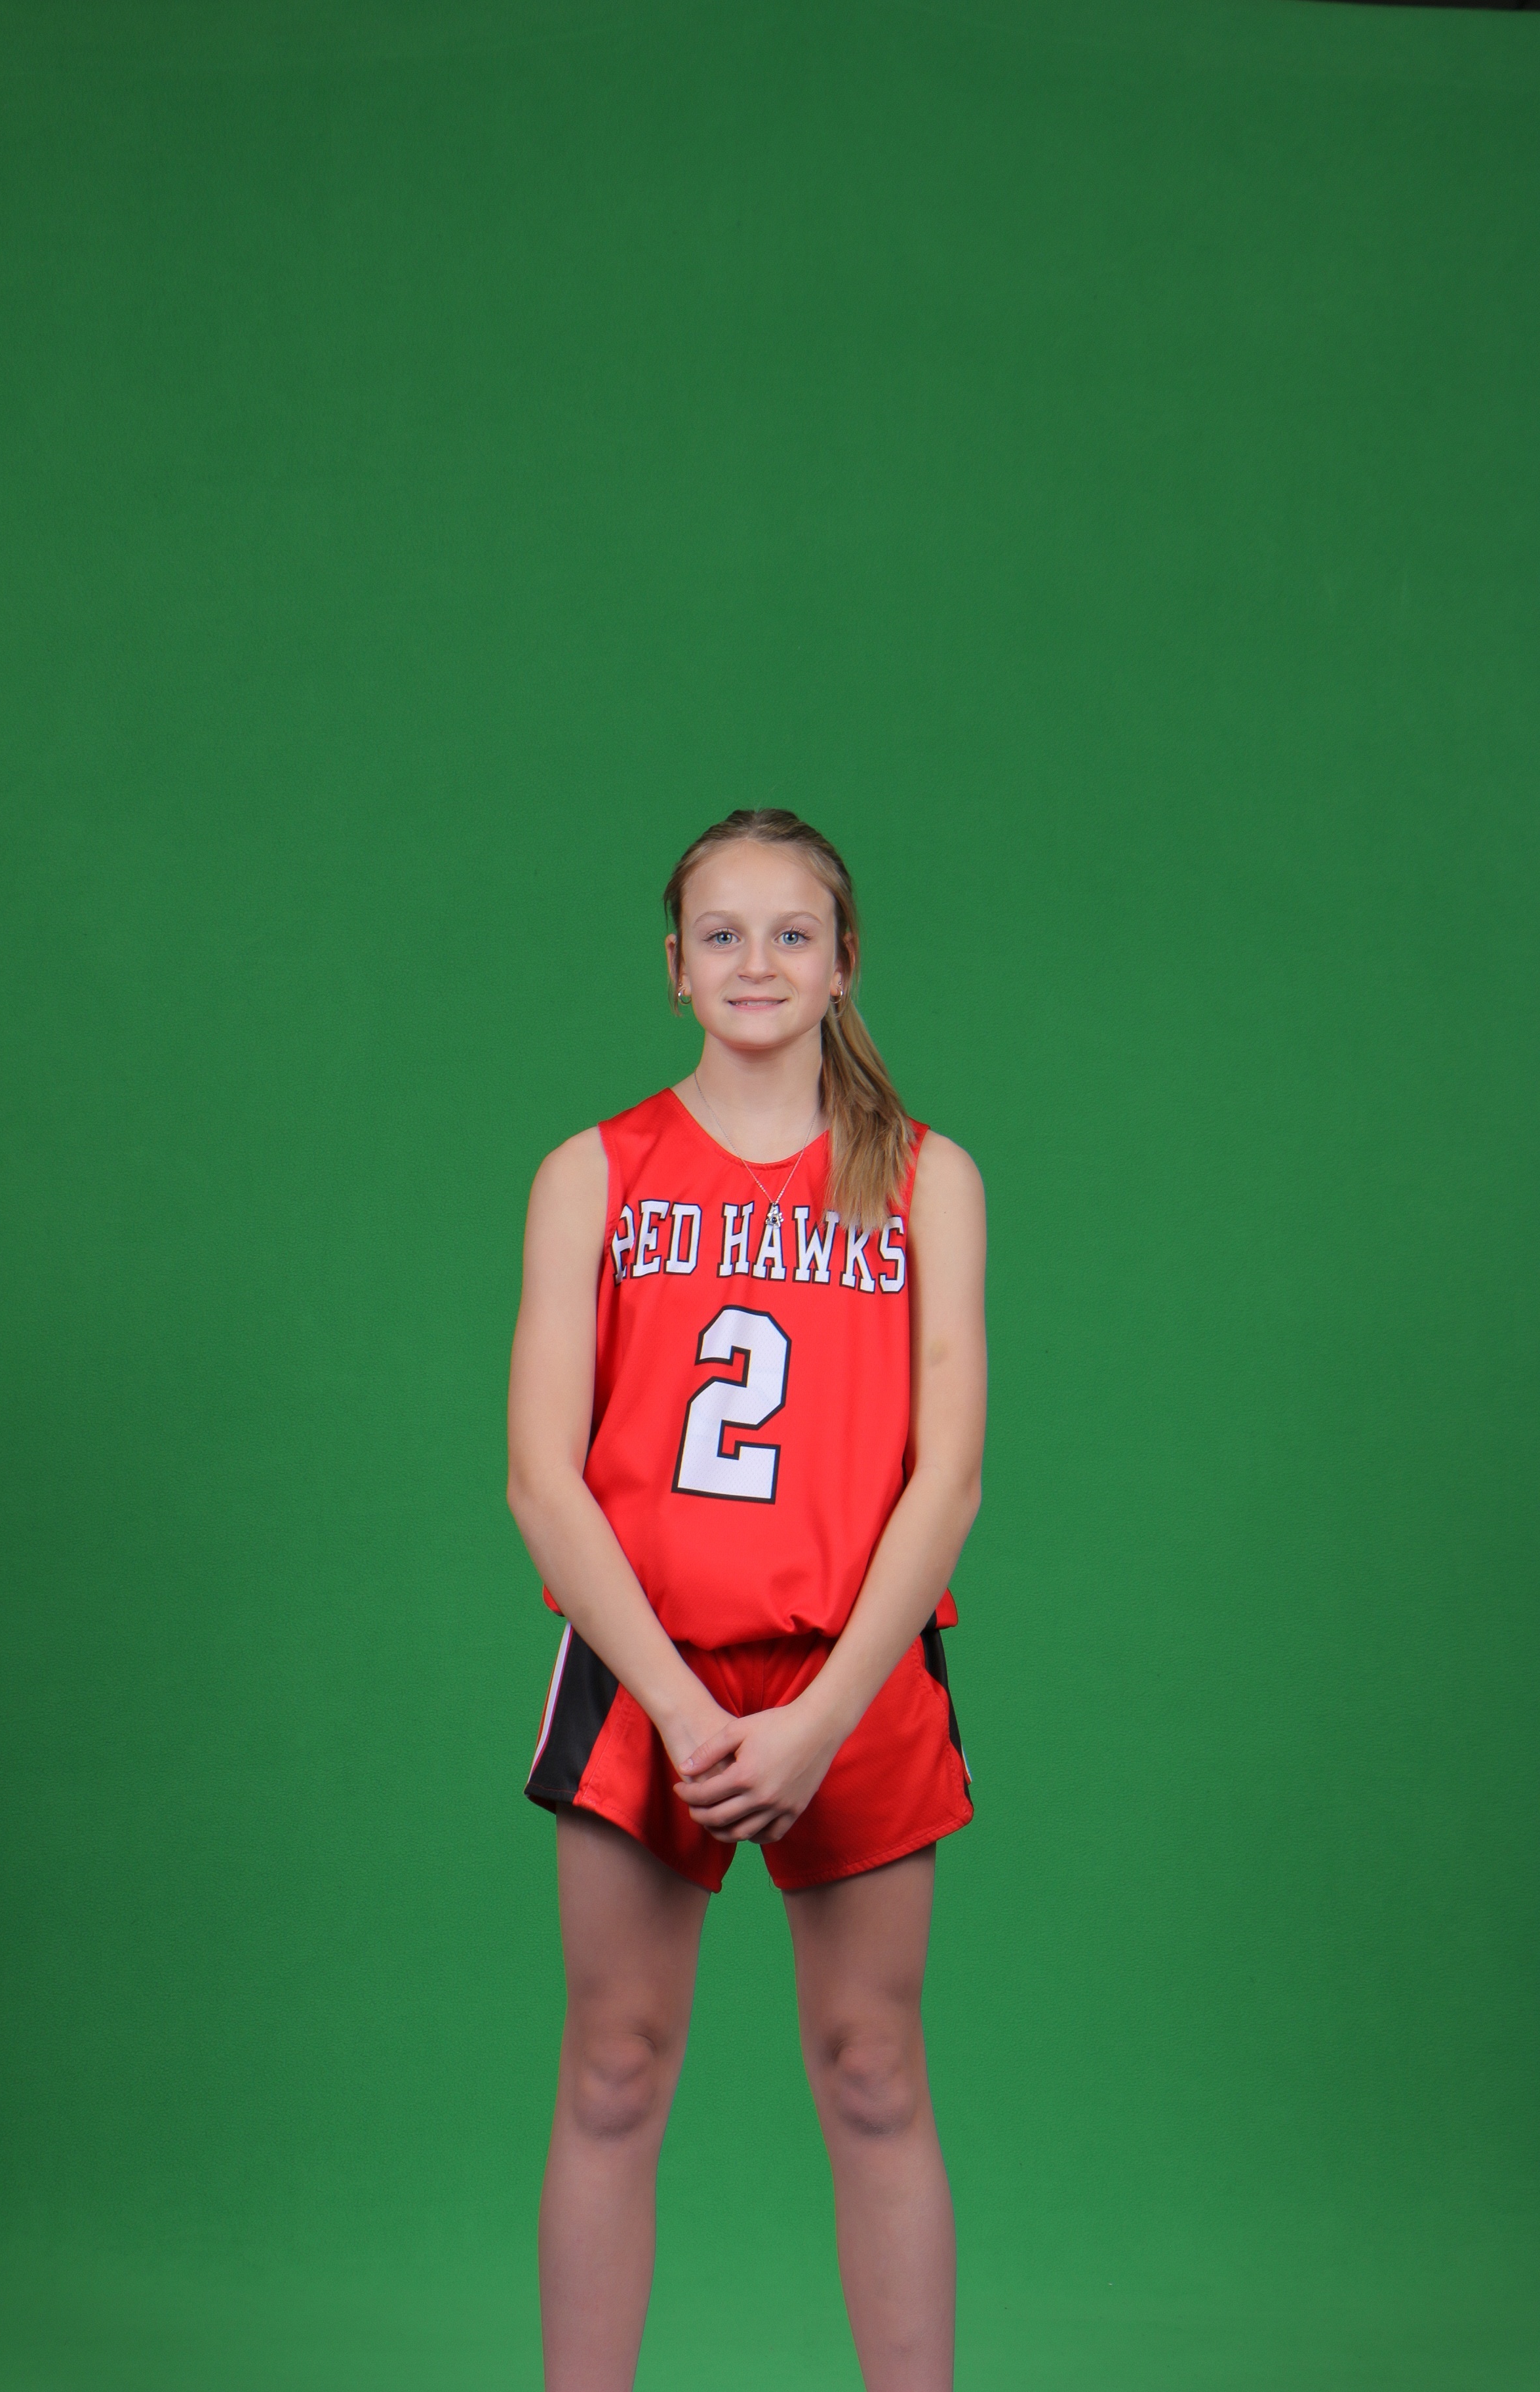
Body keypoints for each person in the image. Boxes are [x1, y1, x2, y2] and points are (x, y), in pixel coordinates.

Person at [506, 807, 987, 2392]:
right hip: (646, 1675)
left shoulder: (926, 1180)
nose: (757, 961)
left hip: (851, 1679)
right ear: (674, 967)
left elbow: (946, 1481)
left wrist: (820, 1722)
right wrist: (680, 1707)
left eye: (794, 933)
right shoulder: (591, 1172)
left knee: (872, 2069)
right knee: (613, 2069)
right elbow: (542, 1480)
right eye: (722, 933)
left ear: (846, 963)